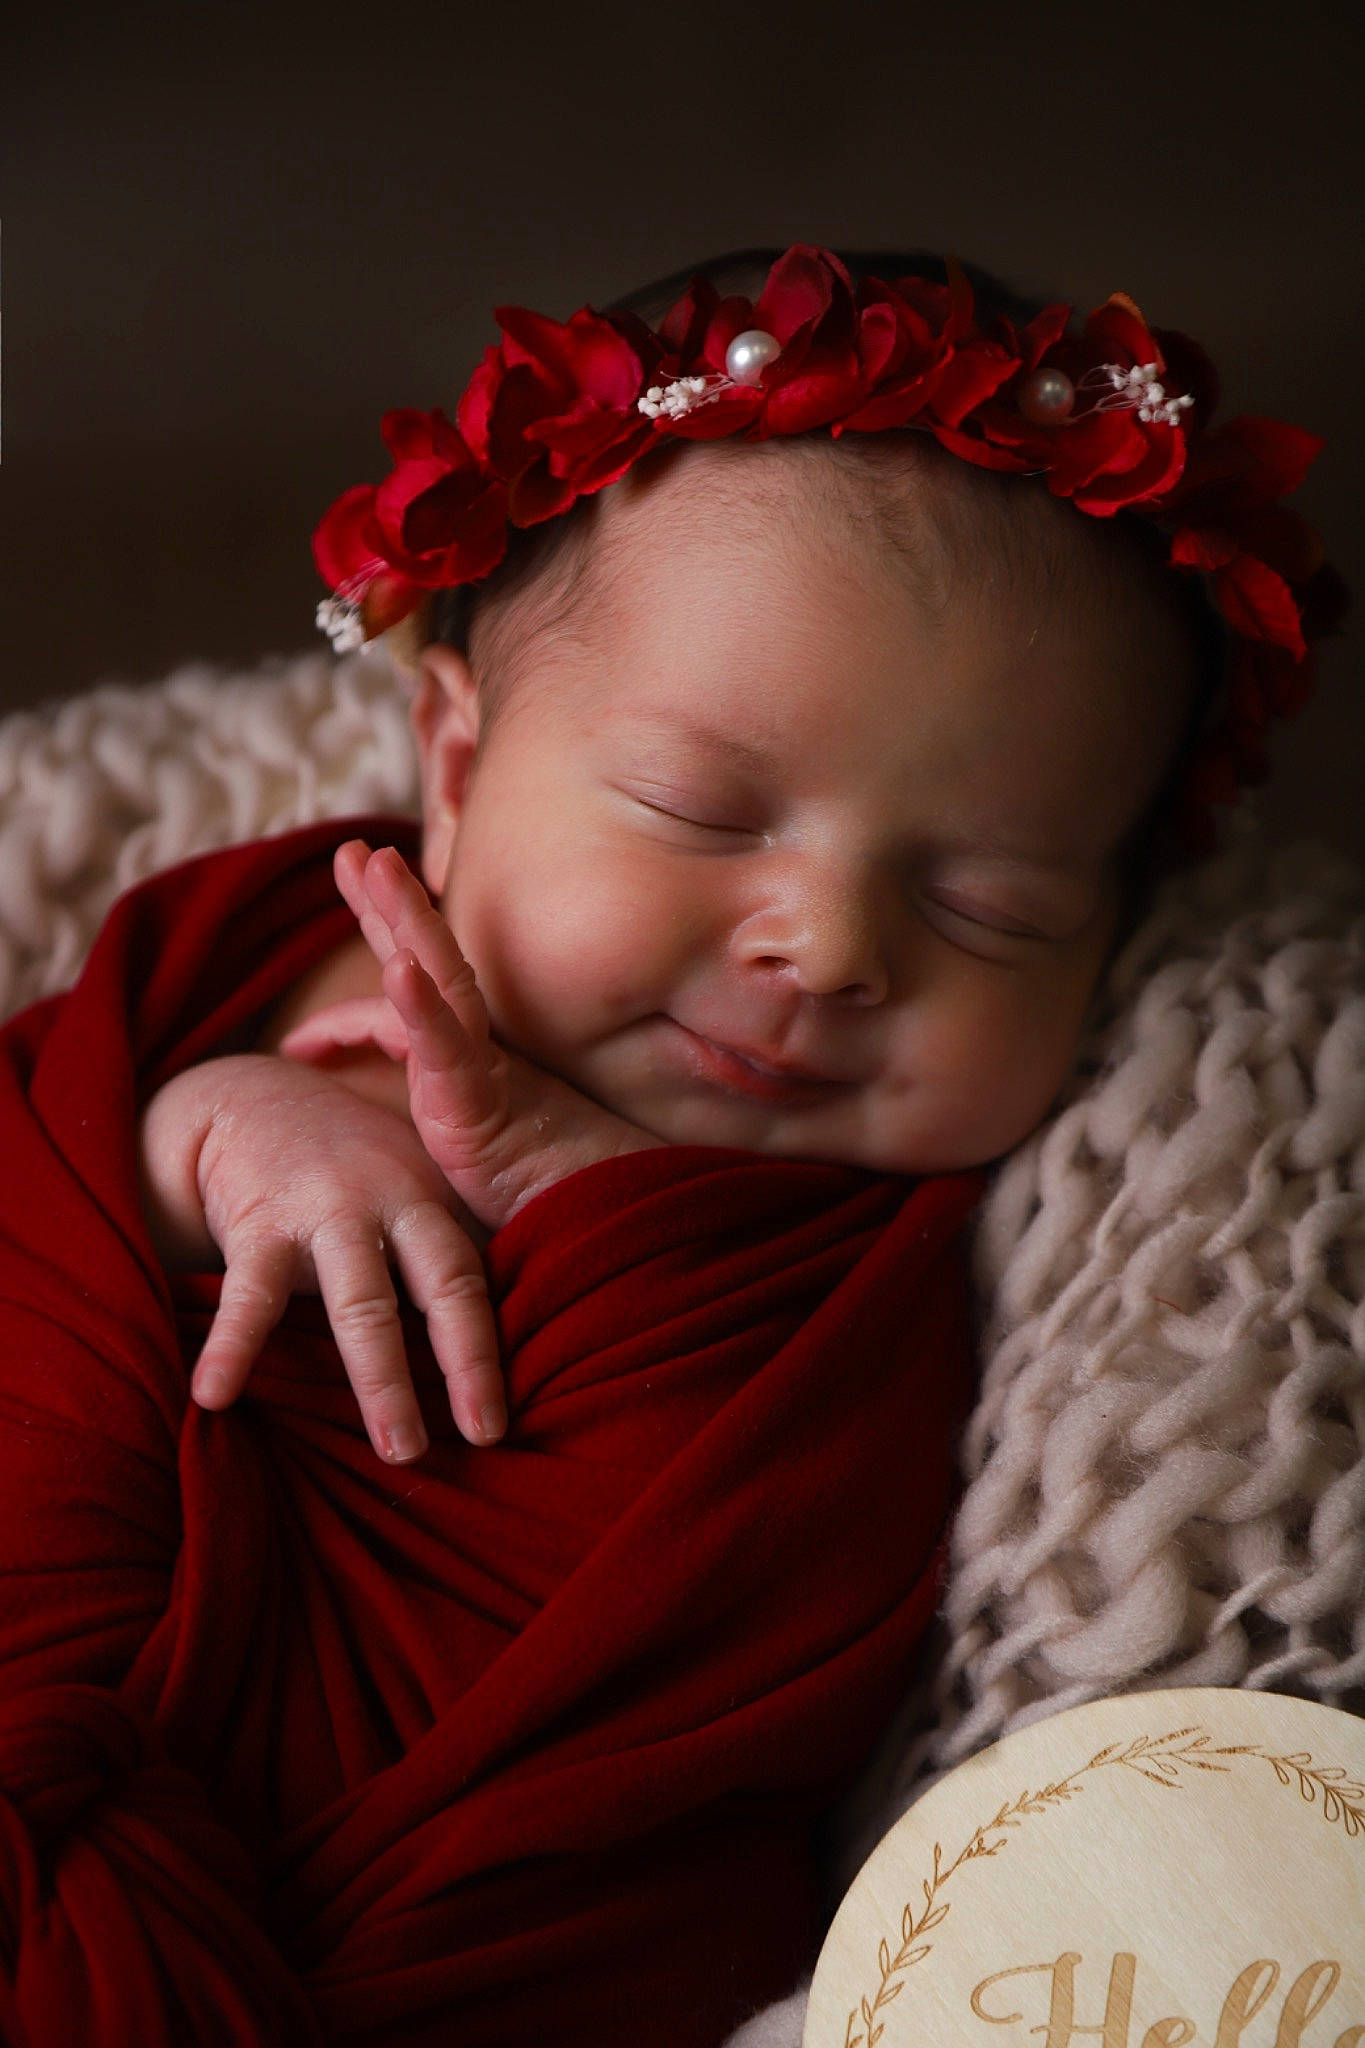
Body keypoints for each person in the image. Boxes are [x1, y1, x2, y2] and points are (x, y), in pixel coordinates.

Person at [0, 245, 1333, 2046]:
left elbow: (779, 1584)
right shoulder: (241, 947)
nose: (830, 946)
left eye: (993, 907)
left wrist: (590, 1199)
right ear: (452, 766)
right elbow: (35, 1161)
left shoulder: (882, 1265)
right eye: (698, 812)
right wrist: (204, 1134)